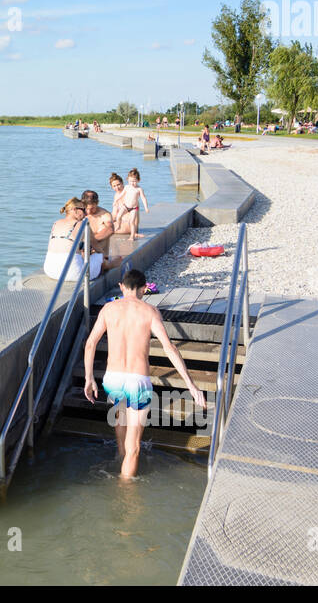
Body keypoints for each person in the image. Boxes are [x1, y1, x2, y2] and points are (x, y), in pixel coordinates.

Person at [81, 268, 206, 479]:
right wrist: (191, 385)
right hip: (137, 382)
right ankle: (126, 489)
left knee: (120, 416)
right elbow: (169, 348)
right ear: (144, 289)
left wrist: (89, 378)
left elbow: (90, 343)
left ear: (121, 287)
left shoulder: (108, 309)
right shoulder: (149, 312)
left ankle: (120, 458)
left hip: (112, 379)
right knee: (135, 447)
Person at [43, 198, 102, 281]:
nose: (86, 213)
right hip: (72, 273)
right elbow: (98, 248)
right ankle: (113, 265)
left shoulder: (56, 223)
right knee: (99, 256)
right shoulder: (83, 224)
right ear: (74, 210)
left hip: (49, 270)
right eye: (83, 210)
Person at [80, 191, 124, 272]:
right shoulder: (79, 214)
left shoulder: (104, 214)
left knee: (104, 227)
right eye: (86, 208)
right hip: (82, 253)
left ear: (97, 203)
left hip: (100, 254)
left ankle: (110, 264)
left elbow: (110, 229)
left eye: (92, 208)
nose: (89, 212)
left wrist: (90, 242)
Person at [114, 169, 148, 238]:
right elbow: (121, 195)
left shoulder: (139, 189)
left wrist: (146, 207)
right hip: (126, 206)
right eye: (130, 181)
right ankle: (119, 225)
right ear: (127, 180)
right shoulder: (127, 187)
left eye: (134, 181)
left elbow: (143, 198)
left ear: (138, 180)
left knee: (132, 221)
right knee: (119, 216)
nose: (132, 183)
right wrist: (116, 200)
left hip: (134, 208)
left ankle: (132, 236)